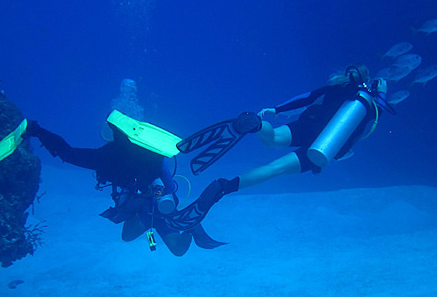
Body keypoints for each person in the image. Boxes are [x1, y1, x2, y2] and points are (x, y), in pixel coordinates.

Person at [166, 65, 391, 231]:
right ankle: (225, 186)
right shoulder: (367, 104)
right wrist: (381, 92)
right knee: (275, 169)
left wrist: (276, 109)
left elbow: (307, 98)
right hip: (323, 145)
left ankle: (256, 125)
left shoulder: (336, 87)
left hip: (309, 123)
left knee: (272, 136)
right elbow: (380, 109)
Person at [0, 110, 226, 255]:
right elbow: (172, 187)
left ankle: (190, 225)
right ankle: (185, 223)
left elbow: (66, 152)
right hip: (144, 205)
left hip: (157, 205)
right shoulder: (144, 156)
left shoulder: (109, 158)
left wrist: (36, 130)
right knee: (137, 239)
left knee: (177, 249)